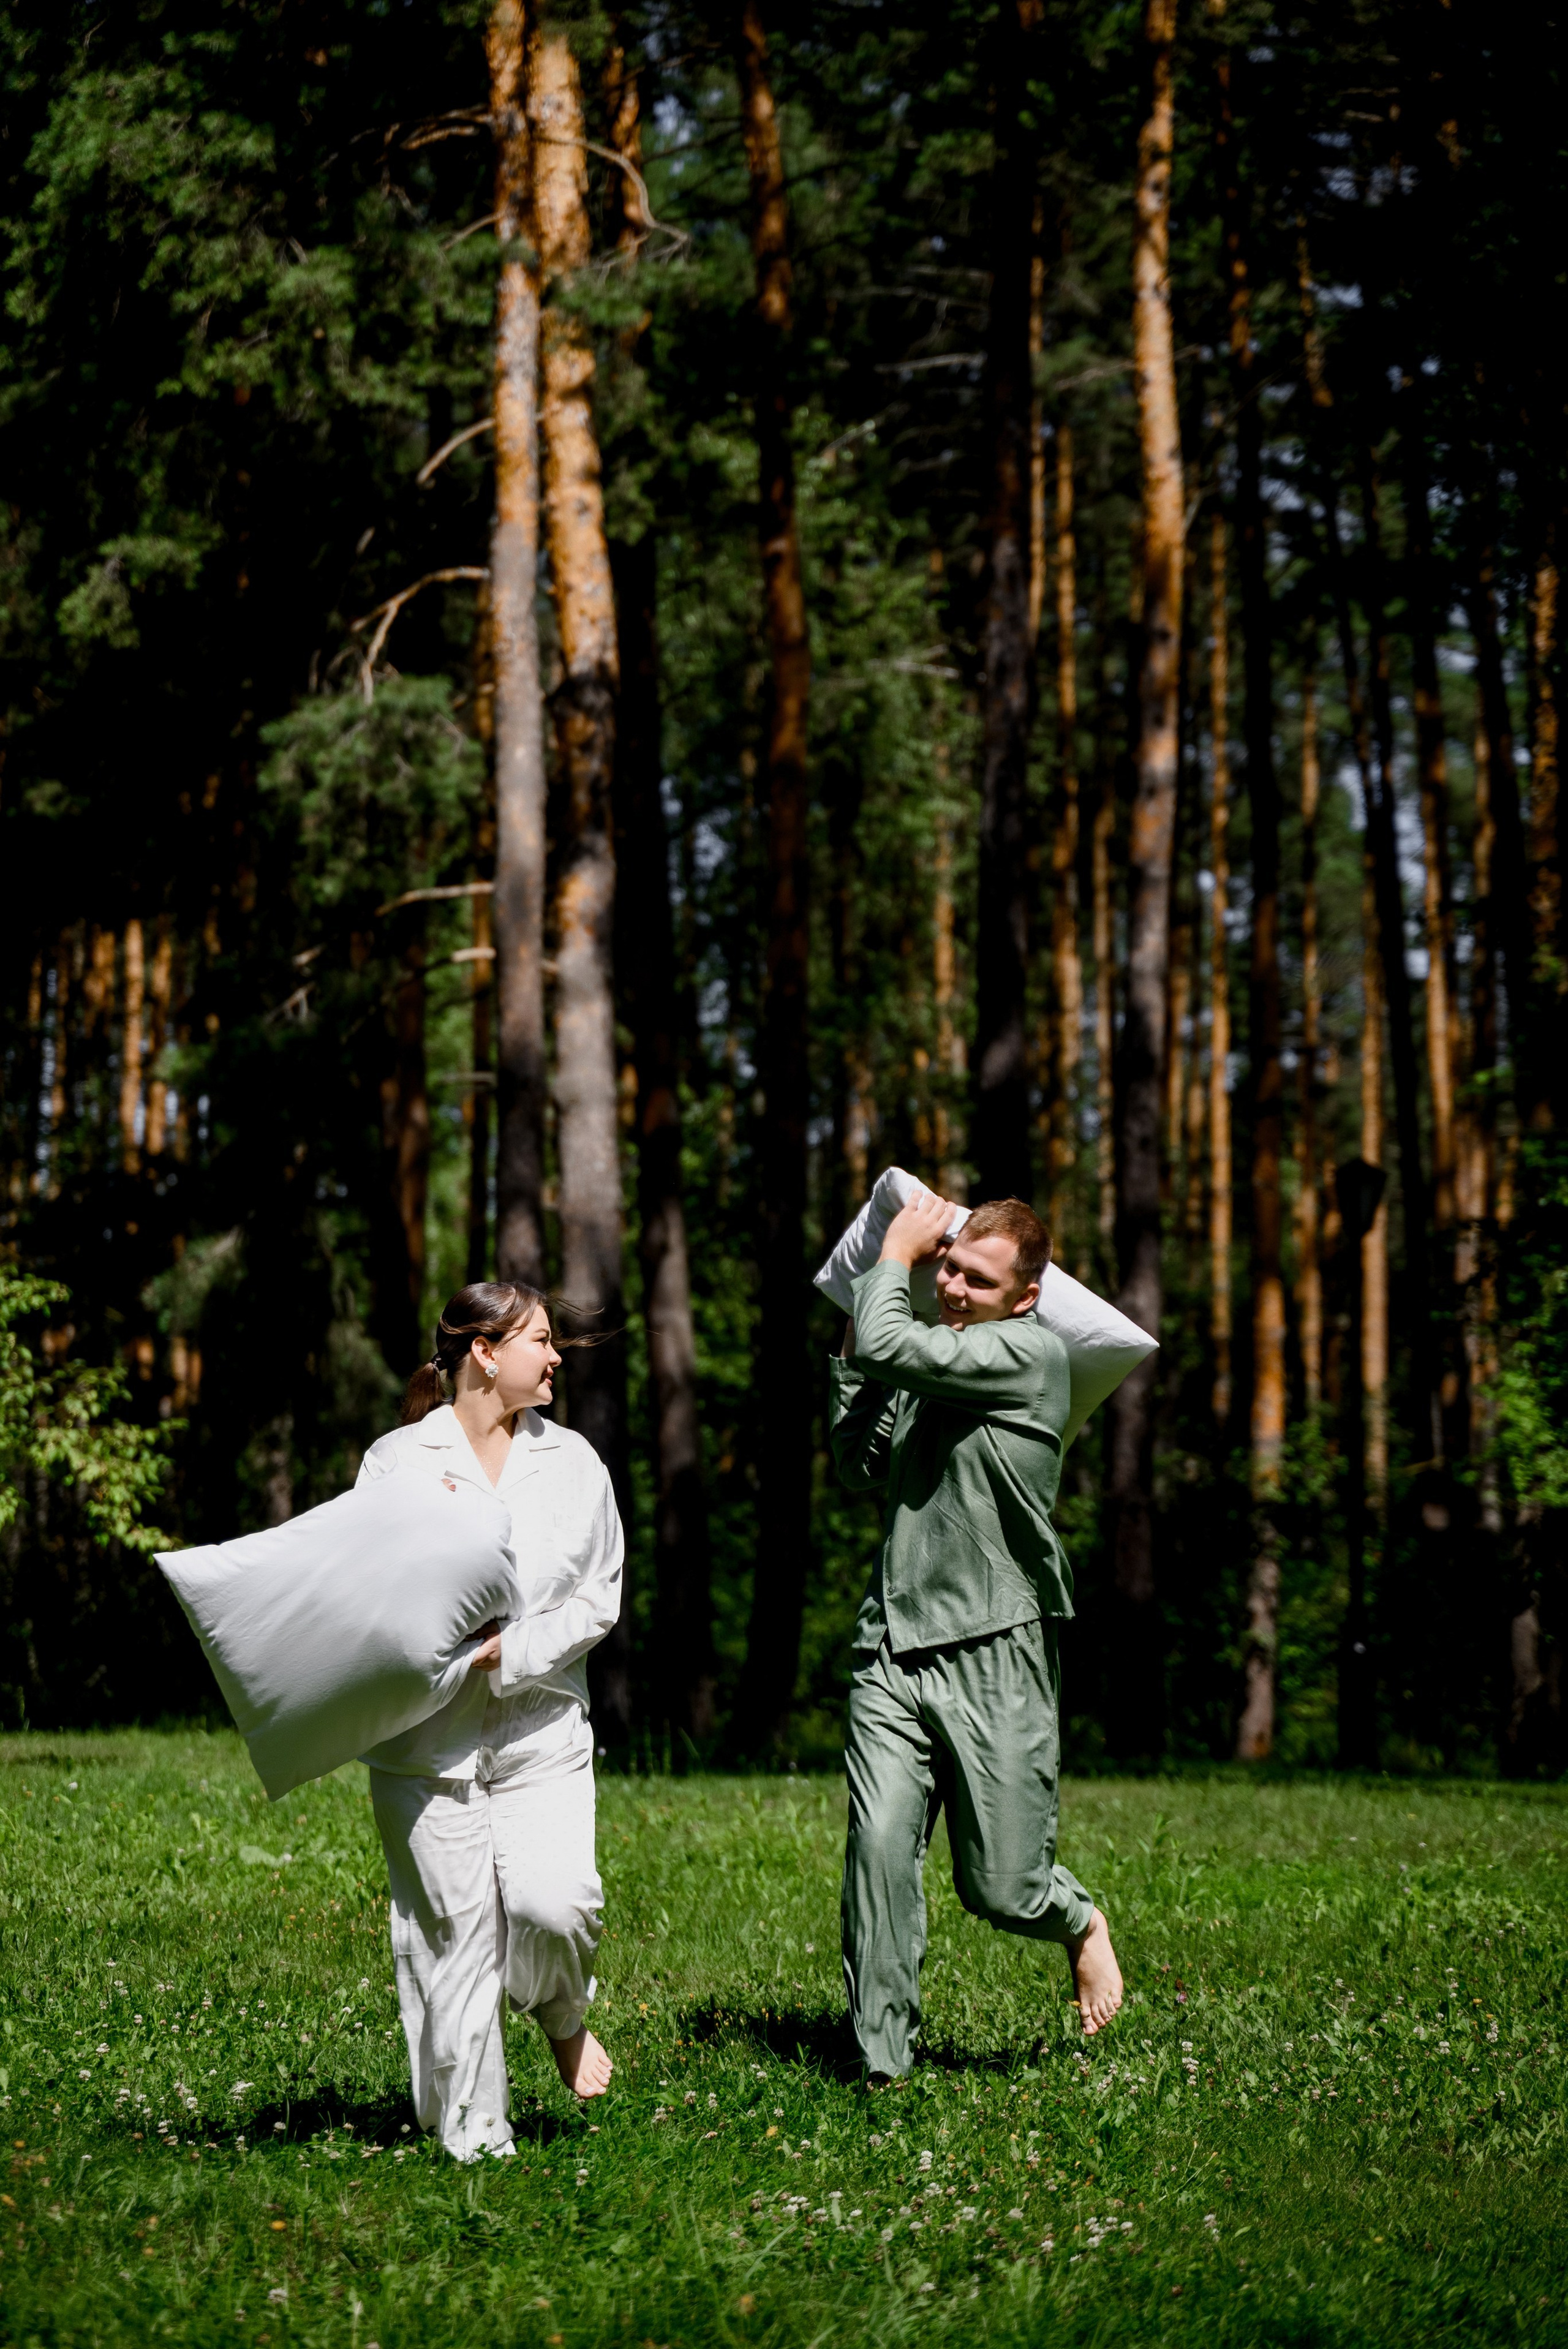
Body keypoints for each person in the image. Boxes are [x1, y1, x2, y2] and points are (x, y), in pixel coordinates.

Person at [830, 1189, 1123, 2081]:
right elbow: (858, 1464)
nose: (951, 1286)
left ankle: (1076, 1919)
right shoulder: (937, 1362)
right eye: (948, 1267)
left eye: (976, 1279)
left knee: (1000, 1887)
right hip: (891, 1645)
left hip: (998, 1647)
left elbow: (890, 1337)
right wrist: (857, 1353)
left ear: (1024, 1298)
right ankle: (882, 2063)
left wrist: (892, 1260)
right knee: (878, 1850)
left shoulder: (1028, 1359)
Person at [356, 1281, 620, 2160]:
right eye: (541, 1342)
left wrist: (515, 1652)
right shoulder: (396, 1461)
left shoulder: (575, 1463)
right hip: (425, 1738)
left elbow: (600, 1600)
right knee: (454, 1939)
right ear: (483, 1351)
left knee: (554, 1905)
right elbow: (365, 1595)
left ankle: (558, 2008)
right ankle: (476, 2139)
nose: (555, 1358)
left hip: (541, 1724)